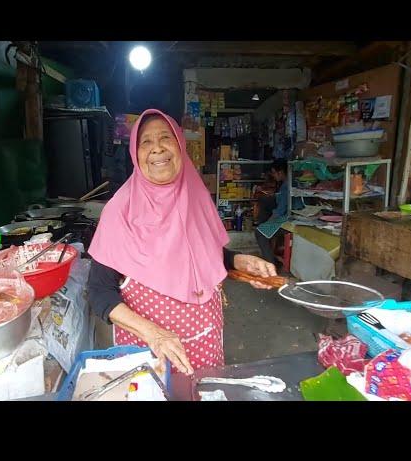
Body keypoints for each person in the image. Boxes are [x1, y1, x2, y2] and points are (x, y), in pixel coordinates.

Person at [87, 109, 279, 375]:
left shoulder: (196, 196)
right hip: (148, 351)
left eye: (165, 138)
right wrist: (154, 334)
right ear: (135, 153)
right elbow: (99, 291)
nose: (157, 149)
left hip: (206, 342)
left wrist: (238, 261)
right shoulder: (120, 211)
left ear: (180, 145)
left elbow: (199, 253)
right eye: (146, 142)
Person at [254, 159, 290, 266]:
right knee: (265, 201)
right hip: (289, 215)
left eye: (274, 173)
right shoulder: (288, 183)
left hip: (286, 218)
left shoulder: (286, 187)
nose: (273, 176)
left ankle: (270, 264)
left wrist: (267, 223)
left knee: (259, 233)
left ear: (281, 172)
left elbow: (280, 211)